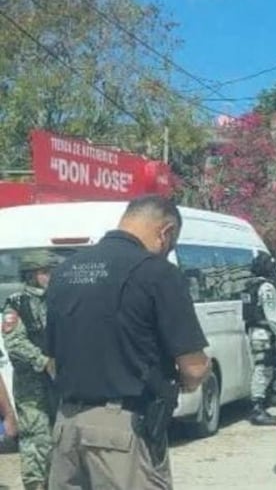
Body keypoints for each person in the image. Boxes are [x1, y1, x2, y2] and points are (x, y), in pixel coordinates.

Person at [45, 195, 210, 489]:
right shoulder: (158, 273)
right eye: (170, 245)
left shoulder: (64, 272)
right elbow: (194, 368)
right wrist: (188, 381)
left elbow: (52, 362)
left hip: (66, 427)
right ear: (166, 232)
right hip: (122, 432)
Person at [2, 250, 60, 490]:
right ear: (31, 275)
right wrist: (44, 361)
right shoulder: (17, 303)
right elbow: (14, 343)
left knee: (63, 439)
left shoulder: (60, 299)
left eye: (51, 272)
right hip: (32, 387)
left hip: (61, 383)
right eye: (44, 272)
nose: (50, 277)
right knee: (37, 440)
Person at [244, 252, 276, 426]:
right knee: (264, 368)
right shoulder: (266, 287)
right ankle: (257, 408)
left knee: (261, 368)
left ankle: (260, 405)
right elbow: (271, 313)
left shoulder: (249, 285)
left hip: (254, 331)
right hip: (265, 333)